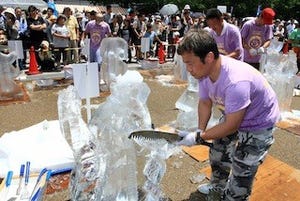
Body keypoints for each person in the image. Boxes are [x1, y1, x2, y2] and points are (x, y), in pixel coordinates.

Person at [176, 29, 280, 200]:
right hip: (234, 113)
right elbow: (204, 102)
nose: (189, 70)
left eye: (190, 63)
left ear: (209, 57)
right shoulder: (204, 73)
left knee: (242, 170)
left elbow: (232, 125)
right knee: (218, 151)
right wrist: (199, 131)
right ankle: (217, 185)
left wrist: (200, 136)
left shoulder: (235, 81)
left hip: (259, 122)